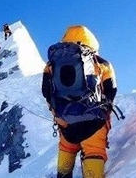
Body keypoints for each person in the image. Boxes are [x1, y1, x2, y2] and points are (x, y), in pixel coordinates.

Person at [41, 25, 117, 178]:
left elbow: (46, 92)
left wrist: (58, 114)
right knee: (93, 151)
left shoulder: (51, 65)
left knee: (66, 148)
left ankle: (63, 175)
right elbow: (111, 89)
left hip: (65, 120)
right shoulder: (101, 63)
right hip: (94, 120)